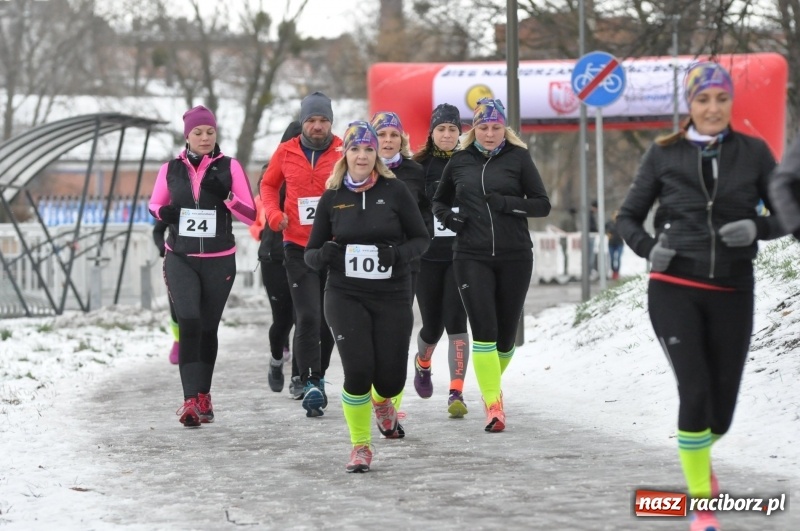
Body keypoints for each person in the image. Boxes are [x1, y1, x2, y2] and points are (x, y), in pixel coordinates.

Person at [615, 62, 785, 531]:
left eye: (721, 99)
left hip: (733, 288)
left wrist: (758, 227)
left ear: (731, 103)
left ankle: (701, 462)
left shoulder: (753, 153)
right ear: (689, 105)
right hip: (675, 288)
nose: (712, 108)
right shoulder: (662, 154)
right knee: (694, 390)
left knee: (721, 415)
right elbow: (627, 218)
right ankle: (702, 506)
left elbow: (790, 213)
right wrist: (651, 249)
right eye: (703, 99)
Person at [304, 121, 429, 472]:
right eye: (355, 149)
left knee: (389, 380)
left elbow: (421, 239)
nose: (362, 155)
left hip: (392, 293)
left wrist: (398, 255)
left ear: (378, 155)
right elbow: (310, 253)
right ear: (345, 153)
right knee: (357, 371)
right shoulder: (332, 198)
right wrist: (323, 255)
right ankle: (360, 446)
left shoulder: (396, 191)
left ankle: (383, 402)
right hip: (345, 293)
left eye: (369, 149)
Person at [431, 98, 550, 433]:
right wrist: (448, 220)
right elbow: (439, 200)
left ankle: (488, 386)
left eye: (496, 127)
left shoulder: (519, 158)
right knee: (484, 332)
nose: (489, 133)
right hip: (471, 255)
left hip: (515, 256)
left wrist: (507, 204)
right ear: (474, 129)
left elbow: (542, 205)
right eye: (483, 127)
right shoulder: (459, 161)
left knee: (505, 339)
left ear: (505, 129)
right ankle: (494, 405)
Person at [149, 105, 256, 427]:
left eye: (210, 132)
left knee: (208, 327)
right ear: (187, 136)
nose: (205, 137)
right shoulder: (171, 168)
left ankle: (204, 394)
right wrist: (163, 214)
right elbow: (155, 204)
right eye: (198, 132)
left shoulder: (230, 167)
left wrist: (226, 197)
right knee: (190, 322)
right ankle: (189, 400)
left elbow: (250, 215)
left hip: (218, 260)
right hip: (180, 257)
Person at [260, 92, 341, 417]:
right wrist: (274, 215)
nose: (317, 126)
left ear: (330, 122)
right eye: (311, 120)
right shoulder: (286, 151)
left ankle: (319, 377)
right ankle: (309, 383)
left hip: (334, 247)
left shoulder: (343, 150)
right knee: (307, 316)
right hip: (296, 246)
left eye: (323, 120)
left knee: (329, 320)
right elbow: (267, 186)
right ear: (303, 122)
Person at [411, 103, 472, 418]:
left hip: (461, 257)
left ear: (460, 132)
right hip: (427, 258)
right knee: (432, 326)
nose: (447, 134)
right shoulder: (418, 167)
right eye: (441, 129)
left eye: (452, 129)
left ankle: (456, 391)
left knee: (456, 323)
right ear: (432, 133)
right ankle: (422, 364)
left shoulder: (470, 162)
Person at [251, 121, 302, 396]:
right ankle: (275, 359)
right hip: (274, 255)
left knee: (304, 318)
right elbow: (269, 198)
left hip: (305, 254)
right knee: (282, 320)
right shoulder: (272, 171)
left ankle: (299, 377)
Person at [370, 111, 427, 295]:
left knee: (399, 323)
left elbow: (426, 212)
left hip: (405, 262)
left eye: (394, 135)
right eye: (381, 134)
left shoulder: (416, 171)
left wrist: (413, 247)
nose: (388, 140)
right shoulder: (360, 169)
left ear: (401, 140)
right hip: (367, 263)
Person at [152, 219, 180, 364]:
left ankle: (197, 343)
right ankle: (178, 341)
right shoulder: (174, 203)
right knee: (175, 306)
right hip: (176, 263)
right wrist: (163, 248)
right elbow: (157, 231)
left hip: (203, 262)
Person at [605, 210, 624, 280]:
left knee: (618, 257)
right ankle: (613, 271)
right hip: (611, 243)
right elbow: (605, 230)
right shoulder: (609, 223)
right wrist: (607, 234)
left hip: (619, 243)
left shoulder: (621, 223)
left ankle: (617, 272)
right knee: (612, 258)